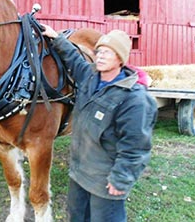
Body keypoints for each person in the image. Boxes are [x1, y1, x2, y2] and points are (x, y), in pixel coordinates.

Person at [41, 25, 158, 222]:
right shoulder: (90, 77)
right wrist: (56, 37)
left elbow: (136, 147)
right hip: (79, 174)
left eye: (108, 53)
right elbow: (74, 59)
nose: (101, 56)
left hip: (105, 183)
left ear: (120, 59)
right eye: (100, 51)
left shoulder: (134, 100)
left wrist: (120, 180)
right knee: (77, 218)